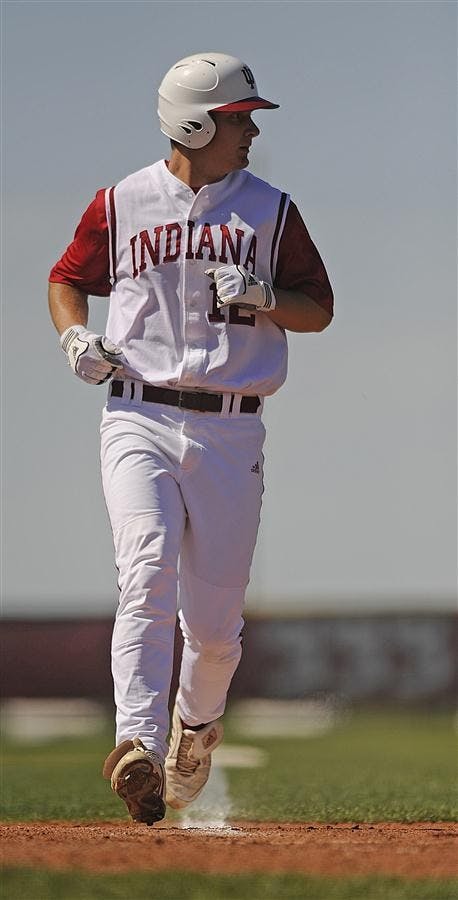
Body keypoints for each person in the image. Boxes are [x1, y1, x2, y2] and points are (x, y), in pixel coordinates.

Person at [48, 51, 334, 826]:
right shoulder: (122, 201)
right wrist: (77, 339)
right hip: (136, 412)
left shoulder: (271, 210)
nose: (249, 133)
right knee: (144, 573)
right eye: (238, 119)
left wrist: (270, 296)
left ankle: (195, 729)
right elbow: (66, 279)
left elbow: (319, 308)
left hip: (230, 429)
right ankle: (135, 744)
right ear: (194, 122)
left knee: (214, 627)